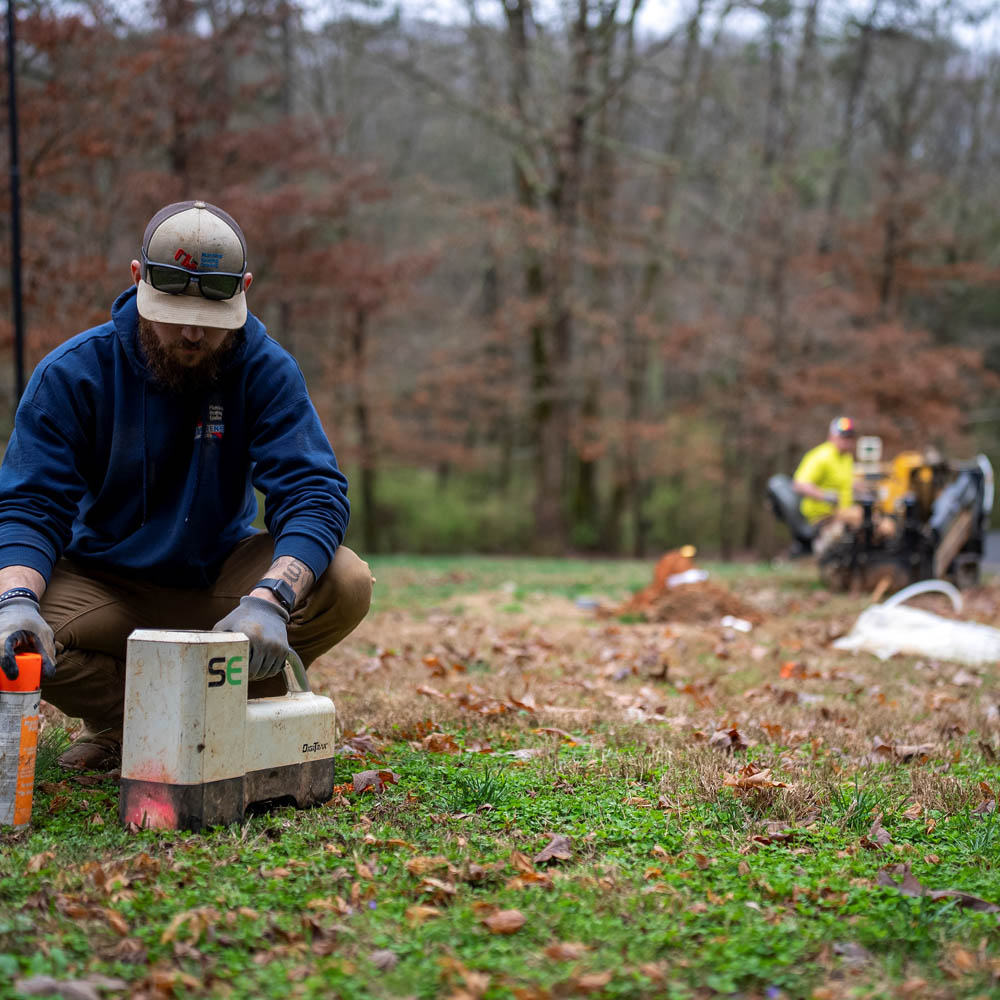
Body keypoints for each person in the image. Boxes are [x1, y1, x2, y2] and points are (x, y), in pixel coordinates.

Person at [0, 200, 373, 770]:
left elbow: (313, 492)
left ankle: (212, 715)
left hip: (219, 587)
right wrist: (16, 600)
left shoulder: (266, 370)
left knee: (346, 579)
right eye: (173, 311)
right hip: (103, 585)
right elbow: (30, 505)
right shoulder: (73, 373)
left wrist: (270, 600)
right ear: (137, 278)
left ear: (244, 289)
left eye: (211, 317)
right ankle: (145, 723)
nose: (193, 331)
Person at [793, 415, 860, 555]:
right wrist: (824, 495)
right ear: (832, 436)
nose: (847, 441)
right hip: (823, 517)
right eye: (843, 437)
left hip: (842, 513)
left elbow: (845, 482)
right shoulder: (821, 456)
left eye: (849, 437)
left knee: (873, 521)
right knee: (862, 520)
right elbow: (799, 484)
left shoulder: (846, 458)